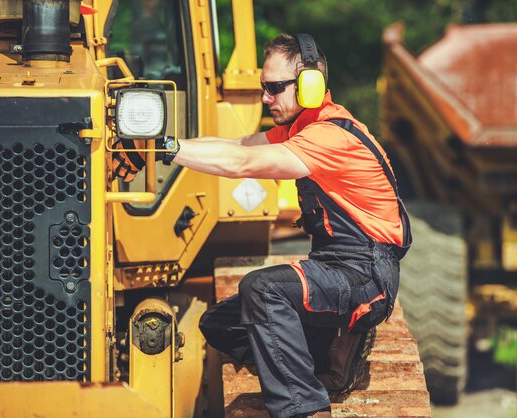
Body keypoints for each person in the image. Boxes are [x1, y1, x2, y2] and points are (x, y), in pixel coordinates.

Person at [113, 33, 411, 418]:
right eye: (263, 88)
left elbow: (240, 165)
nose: (266, 99)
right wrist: (153, 144)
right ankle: (331, 354)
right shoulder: (301, 128)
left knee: (263, 289)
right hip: (338, 271)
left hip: (364, 276)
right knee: (219, 323)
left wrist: (165, 150)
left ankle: (303, 407)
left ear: (310, 86)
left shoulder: (328, 136)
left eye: (273, 88)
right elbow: (237, 146)